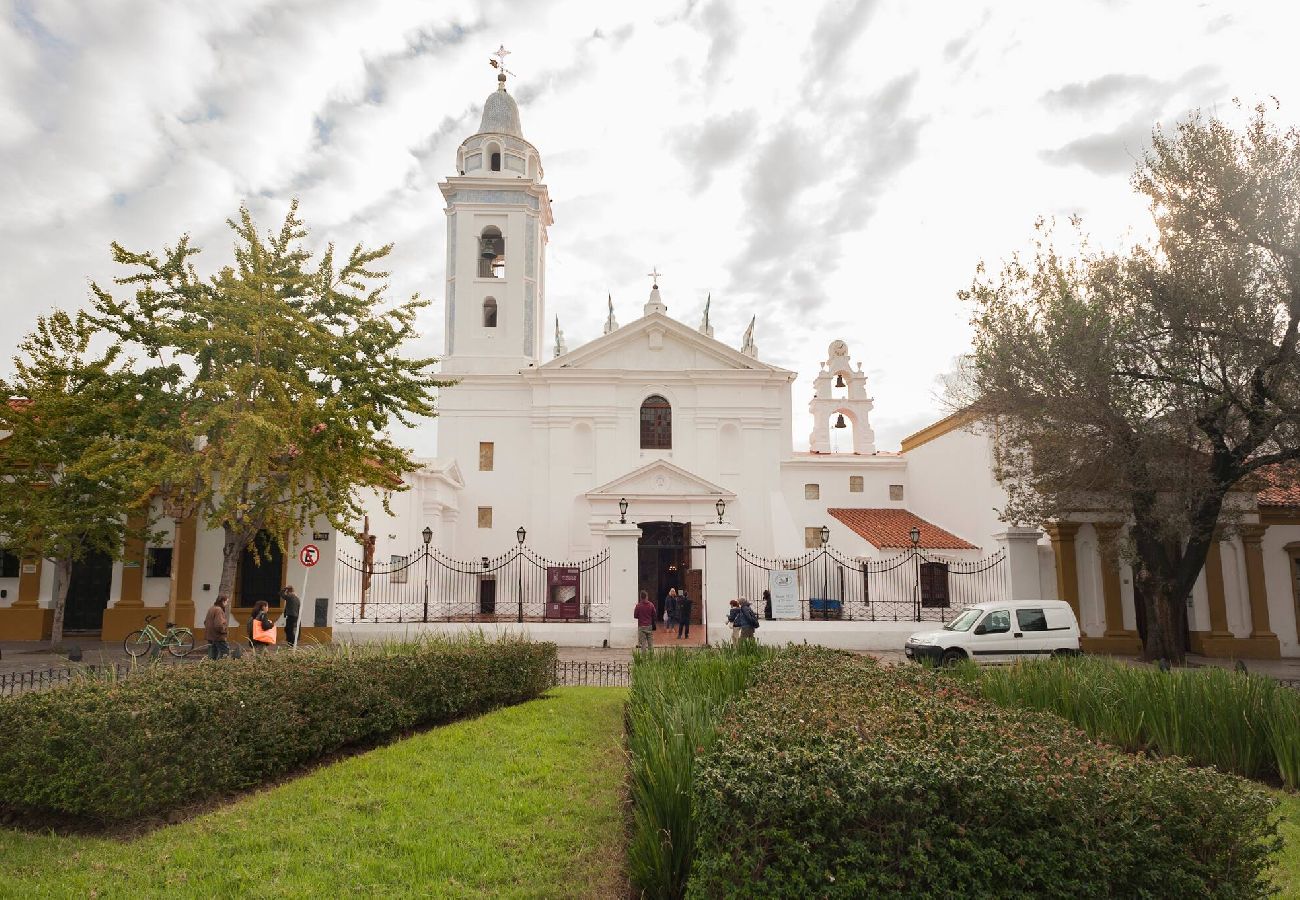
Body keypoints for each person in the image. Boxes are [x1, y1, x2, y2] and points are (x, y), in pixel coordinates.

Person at [204, 595, 230, 660]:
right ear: (223, 601)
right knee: (225, 654)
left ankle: (212, 668)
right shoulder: (218, 610)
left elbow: (205, 622)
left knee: (212, 655)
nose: (226, 604)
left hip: (211, 636)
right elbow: (219, 625)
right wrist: (224, 631)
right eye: (226, 601)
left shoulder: (212, 608)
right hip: (218, 637)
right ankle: (221, 668)